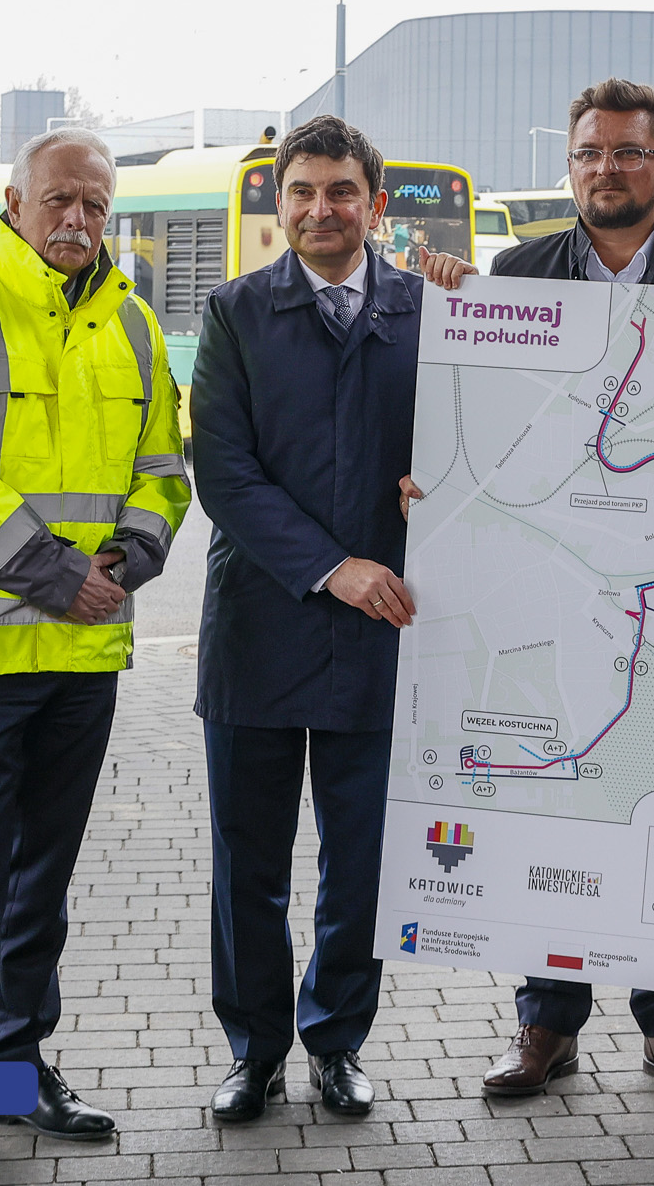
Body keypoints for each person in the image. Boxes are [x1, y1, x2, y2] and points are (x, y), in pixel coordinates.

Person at [415, 77, 654, 1104]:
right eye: (588, 154)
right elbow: (483, 428)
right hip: (550, 569)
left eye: (627, 154)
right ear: (571, 167)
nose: (605, 170)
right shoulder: (517, 274)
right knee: (553, 792)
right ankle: (543, 1028)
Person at [0, 127, 190, 1186]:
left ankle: (14, 1068)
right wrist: (59, 572)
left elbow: (163, 465)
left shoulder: (135, 327)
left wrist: (135, 551)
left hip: (81, 653)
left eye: (96, 206)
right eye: (60, 199)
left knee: (41, 878)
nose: (77, 220)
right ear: (13, 203)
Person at [190, 115, 421, 1123]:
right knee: (248, 862)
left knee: (360, 864)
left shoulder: (432, 313)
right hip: (259, 632)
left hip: (384, 637)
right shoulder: (235, 312)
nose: (319, 210)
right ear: (277, 204)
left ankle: (335, 1041)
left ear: (373, 202)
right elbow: (224, 475)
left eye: (339, 191)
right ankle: (253, 1050)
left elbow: (492, 440)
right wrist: (333, 568)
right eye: (300, 193)